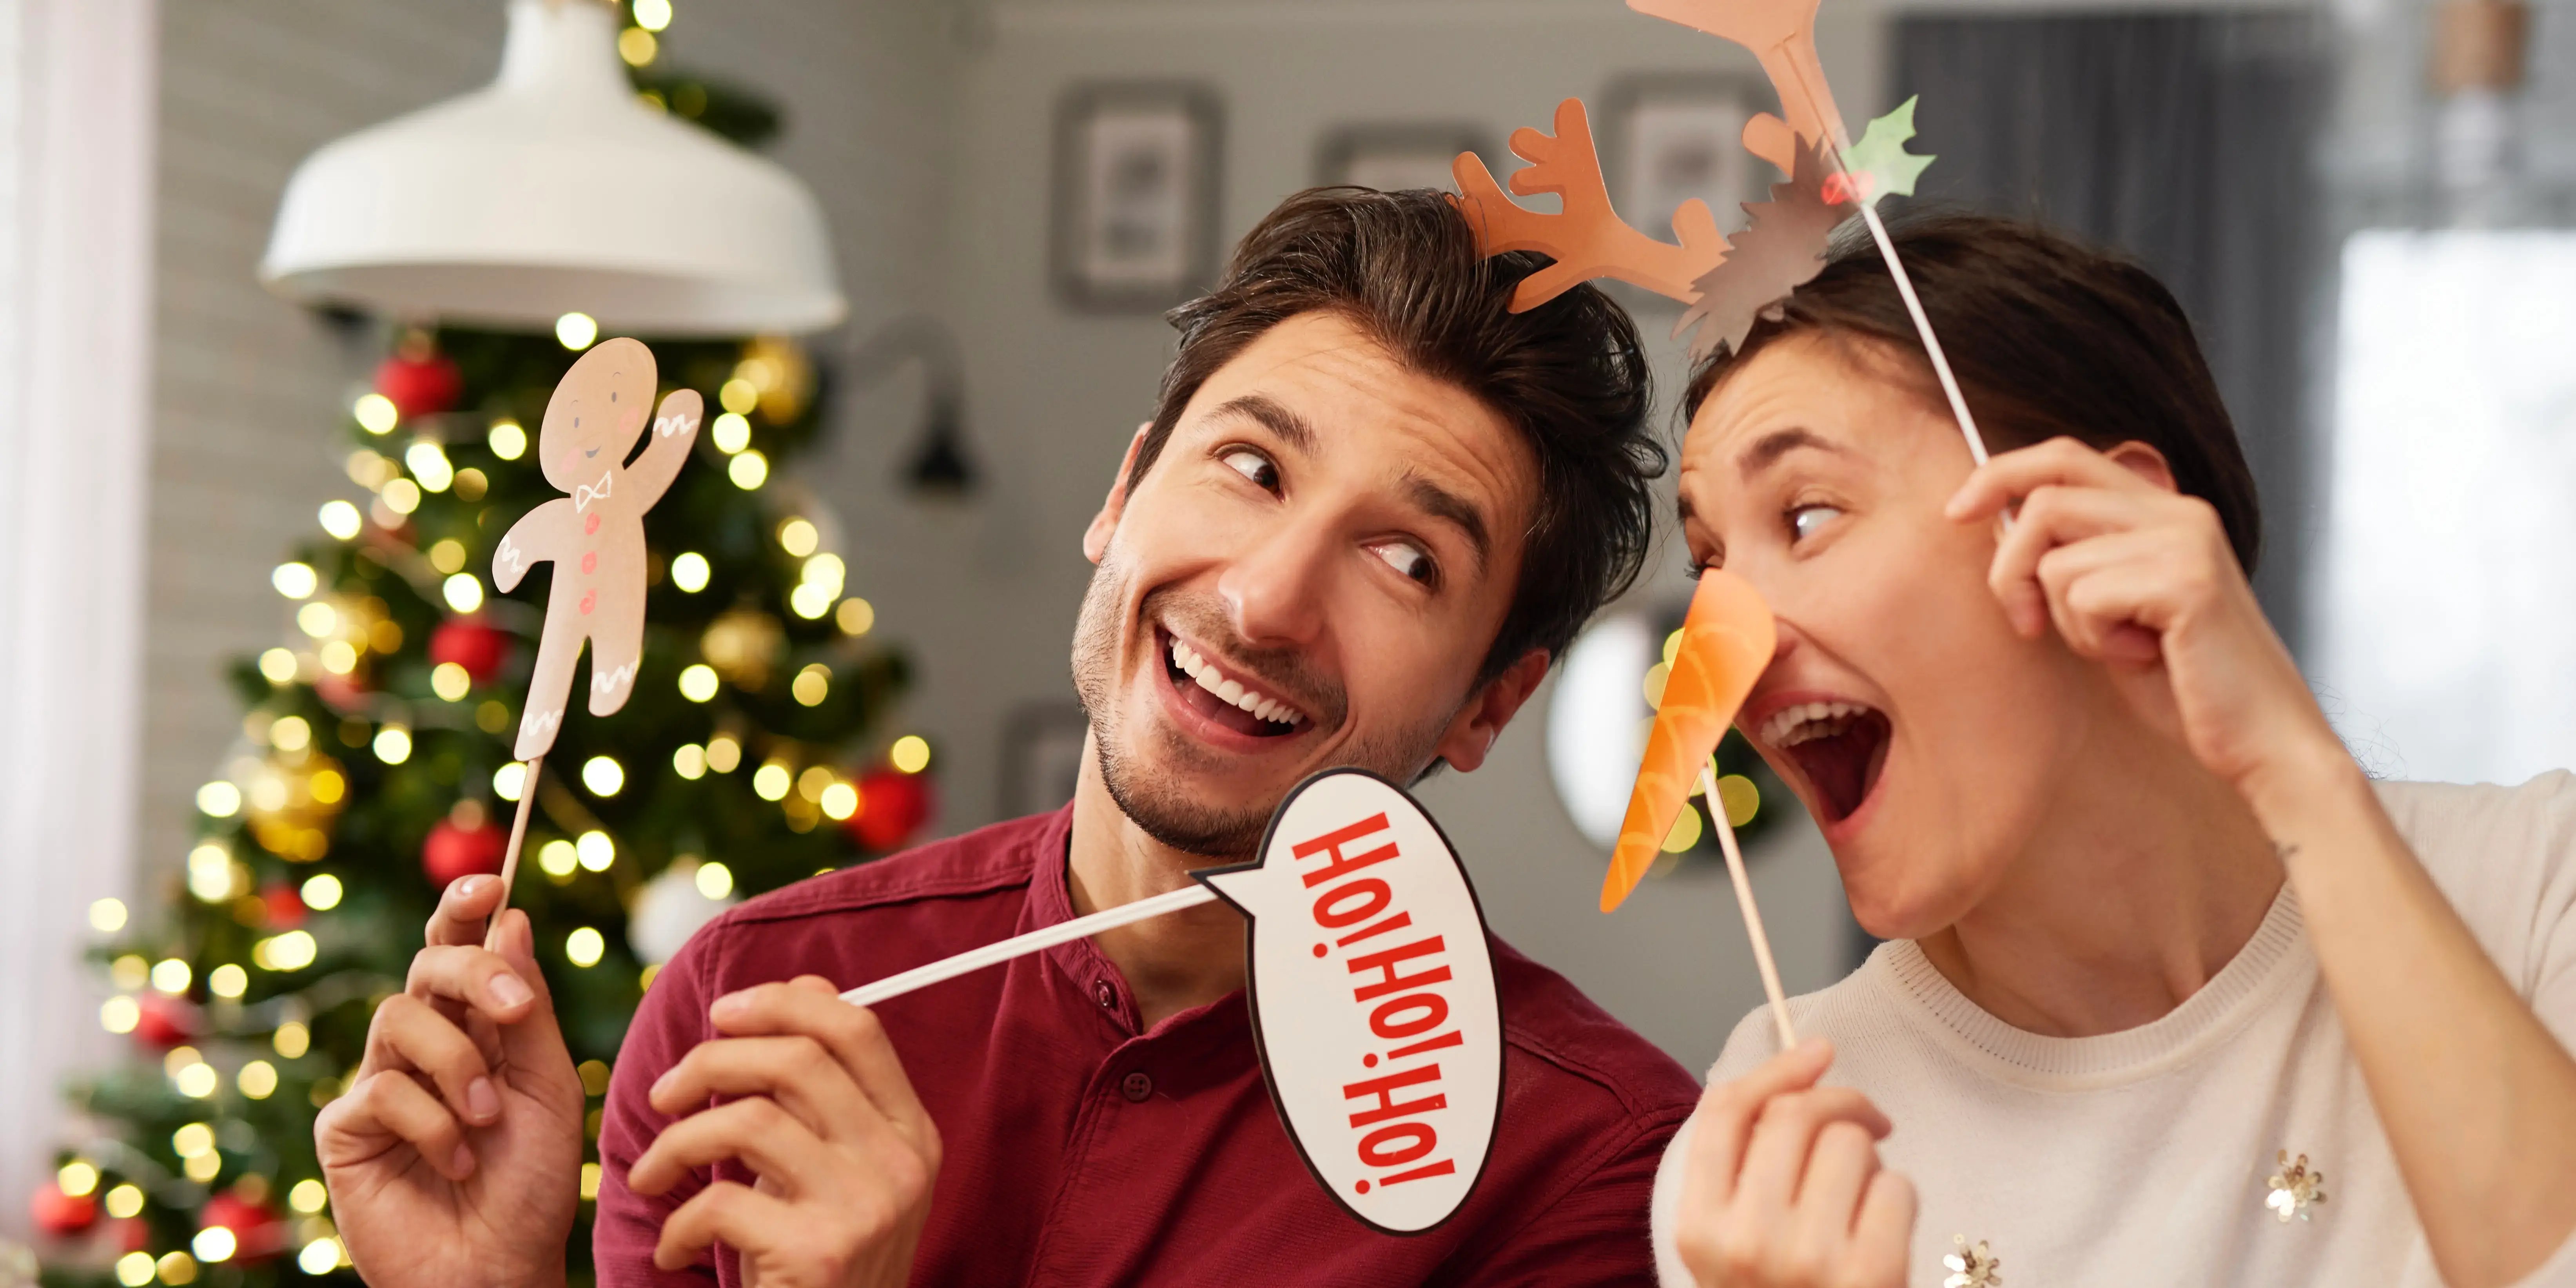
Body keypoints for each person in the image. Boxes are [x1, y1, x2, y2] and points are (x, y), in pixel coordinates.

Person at [316, 186, 1702, 1286]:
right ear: (1123, 491)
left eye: (1403, 561)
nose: (1267, 598)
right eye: (1251, 467)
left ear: (1488, 705)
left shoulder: (1592, 1169)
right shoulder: (754, 997)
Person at [1646, 213, 2576, 1288]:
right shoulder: (1778, 1140)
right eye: (1708, 565)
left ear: (2092, 524)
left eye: (1805, 518)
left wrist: (2297, 771)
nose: (1723, 649)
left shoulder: (2533, 891)